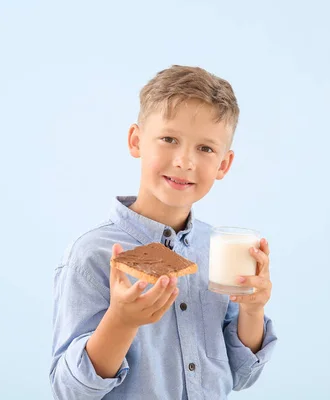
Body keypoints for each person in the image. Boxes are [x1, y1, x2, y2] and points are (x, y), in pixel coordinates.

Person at [50, 65, 278, 399]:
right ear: (136, 140)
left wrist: (252, 310)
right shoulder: (92, 255)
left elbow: (240, 375)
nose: (185, 160)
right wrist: (121, 321)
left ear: (224, 165)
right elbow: (69, 391)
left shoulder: (217, 248)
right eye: (169, 139)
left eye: (205, 149)